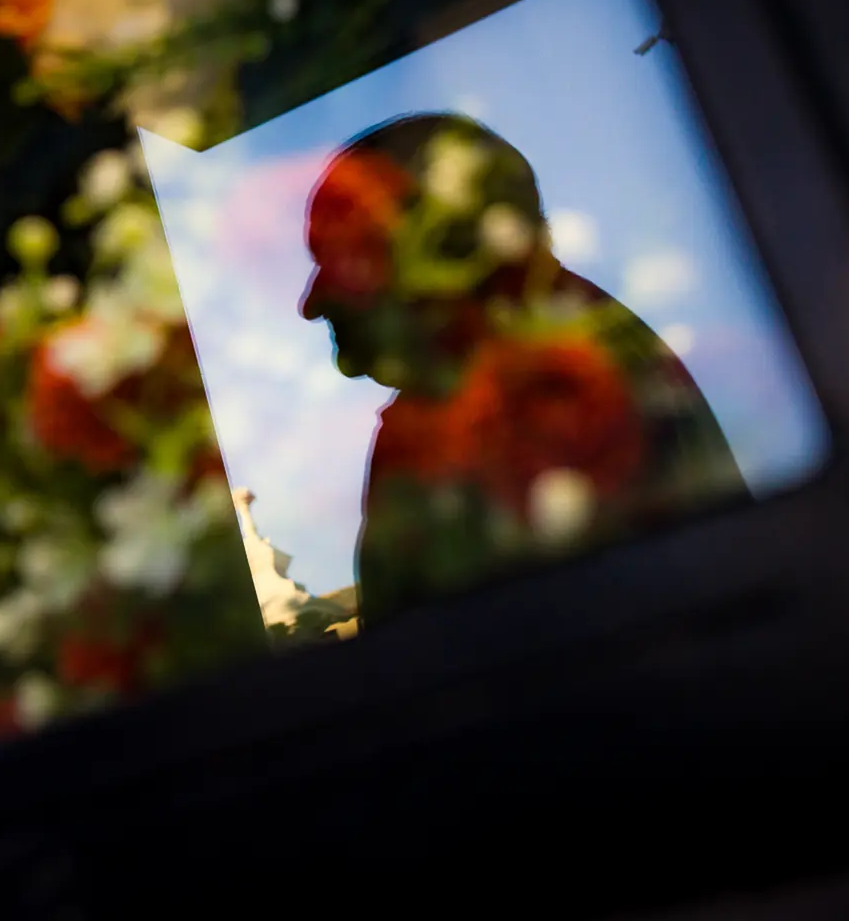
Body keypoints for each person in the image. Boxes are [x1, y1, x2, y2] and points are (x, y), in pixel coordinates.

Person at [298, 113, 744, 624]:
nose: (313, 303)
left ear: (451, 251)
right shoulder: (474, 393)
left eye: (343, 256)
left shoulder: (562, 390)